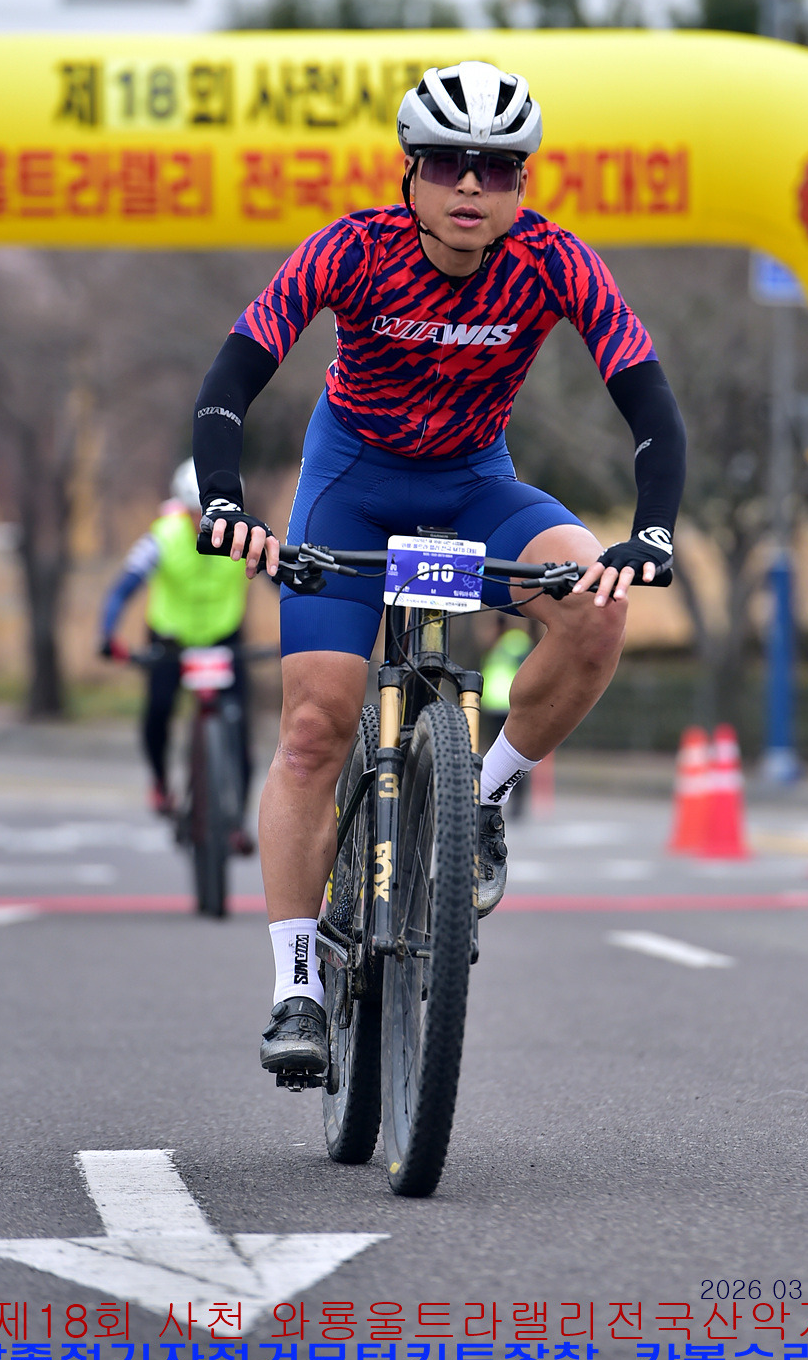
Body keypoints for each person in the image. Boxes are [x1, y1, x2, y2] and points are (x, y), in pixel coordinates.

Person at [191, 60, 686, 1080]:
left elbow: (649, 401)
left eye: (496, 169)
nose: (471, 185)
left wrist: (655, 531)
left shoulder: (553, 261)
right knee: (316, 726)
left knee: (596, 605)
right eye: (449, 163)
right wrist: (227, 500)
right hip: (353, 488)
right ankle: (297, 987)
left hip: (473, 487)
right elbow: (235, 372)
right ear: (410, 173)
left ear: (521, 184)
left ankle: (483, 798)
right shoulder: (353, 248)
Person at [100, 459, 253, 846]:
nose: (204, 523)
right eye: (193, 514)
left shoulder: (246, 535)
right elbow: (123, 587)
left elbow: (278, 580)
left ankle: (236, 819)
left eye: (210, 514)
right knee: (158, 710)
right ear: (180, 510)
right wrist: (108, 633)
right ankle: (160, 781)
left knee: (240, 727)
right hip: (171, 638)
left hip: (223, 636)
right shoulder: (161, 537)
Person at [480, 618, 537, 819]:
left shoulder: (515, 642)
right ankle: (499, 800)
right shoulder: (497, 647)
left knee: (514, 756)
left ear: (499, 627)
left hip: (510, 707)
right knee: (497, 755)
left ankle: (518, 804)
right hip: (495, 708)